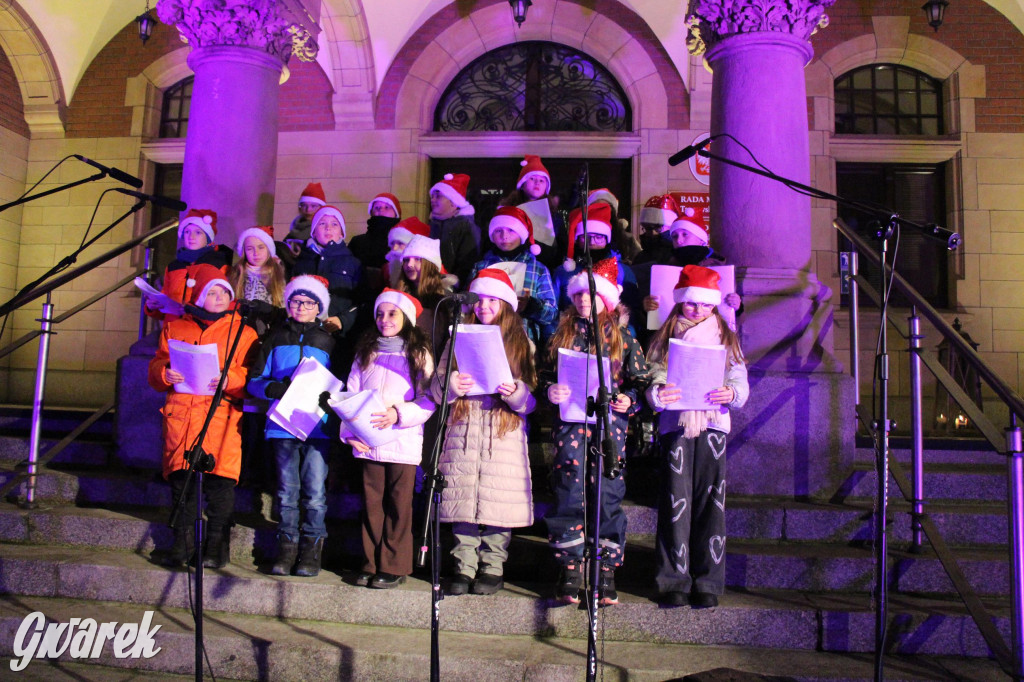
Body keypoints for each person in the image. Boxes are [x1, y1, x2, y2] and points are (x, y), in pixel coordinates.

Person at [543, 257, 651, 606]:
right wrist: (549, 390)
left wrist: (627, 399)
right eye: (577, 295)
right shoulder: (560, 335)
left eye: (590, 294)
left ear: (605, 300)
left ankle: (605, 573)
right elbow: (542, 375)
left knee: (607, 496)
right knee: (568, 493)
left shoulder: (624, 339)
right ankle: (569, 570)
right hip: (571, 427)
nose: (583, 300)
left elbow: (641, 383)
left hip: (608, 430)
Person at [644, 265, 748, 608]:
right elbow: (655, 373)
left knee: (711, 501)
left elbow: (738, 376)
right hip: (677, 423)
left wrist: (731, 394)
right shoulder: (666, 334)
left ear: (714, 306)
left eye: (704, 305)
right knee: (676, 500)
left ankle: (708, 580)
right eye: (691, 305)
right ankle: (674, 578)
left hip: (713, 425)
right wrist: (659, 392)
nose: (698, 311)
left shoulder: (726, 335)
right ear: (680, 303)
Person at [429, 268, 537, 596]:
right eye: (479, 300)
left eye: (492, 300)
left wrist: (515, 391)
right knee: (462, 495)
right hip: (464, 425)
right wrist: (450, 385)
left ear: (505, 304)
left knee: (496, 499)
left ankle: (492, 566)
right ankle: (463, 565)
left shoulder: (522, 344)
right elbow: (436, 385)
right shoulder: (458, 335)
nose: (484, 306)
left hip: (502, 432)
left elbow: (531, 400)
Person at [148, 268, 259, 569]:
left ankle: (215, 547)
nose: (219, 297)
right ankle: (182, 545)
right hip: (182, 415)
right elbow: (157, 363)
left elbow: (252, 373)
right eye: (212, 292)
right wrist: (164, 372)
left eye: (224, 292)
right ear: (200, 295)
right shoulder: (176, 327)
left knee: (219, 484)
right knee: (182, 483)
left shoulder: (244, 331)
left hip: (220, 416)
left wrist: (230, 379)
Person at [343, 288, 435, 588]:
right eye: (380, 314)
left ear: (406, 317)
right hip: (368, 441)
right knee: (371, 504)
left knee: (398, 505)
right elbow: (351, 396)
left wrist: (399, 414)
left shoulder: (418, 354)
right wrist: (349, 433)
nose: (384, 319)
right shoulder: (365, 353)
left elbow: (429, 400)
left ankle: (394, 566)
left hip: (402, 442)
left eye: (392, 313)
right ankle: (370, 563)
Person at [246, 275, 336, 577]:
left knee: (315, 491)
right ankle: (287, 546)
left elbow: (342, 384)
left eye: (309, 303)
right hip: (282, 425)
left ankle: (311, 548)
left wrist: (329, 398)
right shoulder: (274, 337)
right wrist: (274, 389)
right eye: (296, 301)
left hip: (316, 427)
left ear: (319, 308)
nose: (302, 307)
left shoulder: (327, 340)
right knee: (286, 491)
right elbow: (254, 381)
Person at [469, 206, 558, 348]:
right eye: (499, 230)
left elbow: (551, 313)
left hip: (524, 344)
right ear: (492, 236)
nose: (504, 236)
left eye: (511, 230)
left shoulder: (537, 269)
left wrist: (532, 306)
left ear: (522, 234)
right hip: (485, 341)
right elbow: (468, 304)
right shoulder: (481, 267)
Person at [552, 203, 643, 332]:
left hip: (613, 339)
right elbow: (553, 311)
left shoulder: (623, 271)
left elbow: (632, 312)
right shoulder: (564, 272)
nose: (592, 242)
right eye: (586, 237)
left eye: (598, 237)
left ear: (607, 239)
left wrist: (626, 339)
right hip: (570, 337)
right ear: (578, 240)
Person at [145, 208, 231, 325]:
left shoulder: (219, 265)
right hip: (172, 330)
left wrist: (190, 310)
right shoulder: (173, 266)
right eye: (187, 232)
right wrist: (154, 306)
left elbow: (223, 306)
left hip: (200, 333)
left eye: (198, 232)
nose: (191, 237)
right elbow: (165, 308)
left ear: (208, 238)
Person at [291, 205, 363, 340]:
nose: (328, 228)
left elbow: (362, 302)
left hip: (338, 338)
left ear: (341, 233)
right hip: (303, 335)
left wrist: (343, 320)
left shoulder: (353, 263)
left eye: (334, 224)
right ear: (313, 232)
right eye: (322, 223)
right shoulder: (301, 262)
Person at [498, 155, 565, 272]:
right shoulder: (508, 211)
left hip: (545, 268)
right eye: (532, 179)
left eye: (541, 180)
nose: (537, 183)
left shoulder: (554, 215)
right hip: (514, 266)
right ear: (523, 184)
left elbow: (560, 245)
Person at [395, 235, 455, 353]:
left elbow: (451, 338)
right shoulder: (399, 294)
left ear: (430, 264)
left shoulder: (445, 297)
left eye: (417, 259)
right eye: (406, 259)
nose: (409, 264)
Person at [229, 225, 286, 336]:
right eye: (250, 249)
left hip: (269, 332)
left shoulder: (278, 274)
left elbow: (282, 307)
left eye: (261, 247)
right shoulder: (237, 274)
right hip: (240, 331)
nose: (256, 253)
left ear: (269, 249)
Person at [429, 172, 481, 286]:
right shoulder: (432, 224)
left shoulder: (466, 226)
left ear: (453, 202)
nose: (433, 200)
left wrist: (454, 285)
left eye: (438, 196)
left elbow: (468, 264)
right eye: (432, 196)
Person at [349, 192, 402, 273]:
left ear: (396, 214)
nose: (381, 209)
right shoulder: (357, 243)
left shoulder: (402, 244)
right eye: (377, 207)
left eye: (387, 207)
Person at [633, 194, 681, 266]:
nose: (653, 233)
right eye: (648, 228)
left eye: (658, 227)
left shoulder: (678, 257)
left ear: (671, 227)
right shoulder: (640, 257)